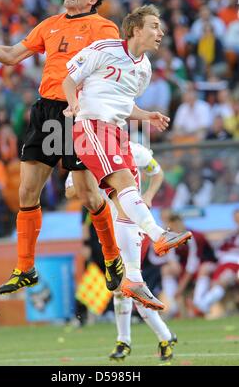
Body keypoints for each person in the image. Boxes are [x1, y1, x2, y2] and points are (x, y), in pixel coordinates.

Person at [0, 0, 125, 295]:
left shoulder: (102, 28)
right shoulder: (50, 25)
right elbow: (11, 56)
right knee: (26, 192)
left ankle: (112, 256)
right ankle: (25, 268)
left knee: (88, 195)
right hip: (46, 112)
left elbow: (115, 70)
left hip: (77, 114)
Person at [63, 4, 192, 304]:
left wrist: (146, 116)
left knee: (125, 208)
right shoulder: (105, 48)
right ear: (135, 29)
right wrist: (73, 104)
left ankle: (133, 277)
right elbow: (70, 79)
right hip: (90, 126)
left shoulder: (144, 69)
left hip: (117, 132)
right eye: (155, 26)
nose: (160, 32)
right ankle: (159, 235)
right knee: (126, 186)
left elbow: (124, 103)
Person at [65, 141, 178, 361]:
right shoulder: (87, 155)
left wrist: (148, 196)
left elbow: (156, 172)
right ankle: (137, 339)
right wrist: (87, 179)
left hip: (131, 226)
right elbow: (69, 191)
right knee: (121, 286)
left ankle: (144, 338)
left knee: (130, 284)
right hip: (107, 231)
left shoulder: (132, 150)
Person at [160, 211, 217, 319]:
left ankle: (199, 303)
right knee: (166, 269)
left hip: (204, 265)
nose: (175, 227)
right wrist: (173, 264)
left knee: (203, 268)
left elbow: (193, 265)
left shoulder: (193, 237)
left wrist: (181, 288)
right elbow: (171, 257)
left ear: (181, 223)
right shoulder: (170, 236)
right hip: (186, 267)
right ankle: (173, 306)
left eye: (177, 224)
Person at [193, 208, 239, 316]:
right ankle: (197, 301)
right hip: (222, 262)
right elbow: (218, 251)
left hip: (235, 265)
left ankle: (204, 304)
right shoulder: (231, 235)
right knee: (204, 267)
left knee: (225, 277)